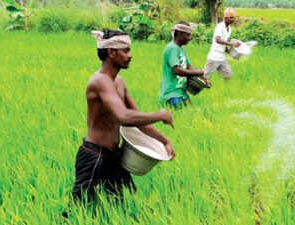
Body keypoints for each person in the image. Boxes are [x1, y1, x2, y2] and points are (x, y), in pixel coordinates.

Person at [72, 29, 175, 202]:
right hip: (94, 155)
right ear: (111, 52)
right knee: (79, 206)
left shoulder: (119, 82)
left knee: (123, 202)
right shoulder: (100, 81)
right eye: (126, 51)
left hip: (113, 155)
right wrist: (159, 114)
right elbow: (123, 117)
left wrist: (164, 141)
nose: (130, 55)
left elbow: (138, 120)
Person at [159, 21, 207, 109]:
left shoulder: (181, 48)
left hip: (181, 92)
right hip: (171, 94)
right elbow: (177, 70)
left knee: (192, 115)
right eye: (188, 35)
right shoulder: (172, 48)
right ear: (180, 34)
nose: (190, 38)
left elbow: (188, 66)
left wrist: (202, 77)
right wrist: (198, 73)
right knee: (184, 116)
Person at [203, 8, 241, 84]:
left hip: (222, 57)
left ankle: (228, 90)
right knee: (204, 77)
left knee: (228, 75)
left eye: (233, 17)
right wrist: (232, 44)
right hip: (214, 57)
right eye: (232, 17)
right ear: (226, 18)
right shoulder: (220, 27)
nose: (233, 19)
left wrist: (230, 52)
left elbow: (224, 43)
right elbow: (218, 40)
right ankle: (194, 88)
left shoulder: (229, 29)